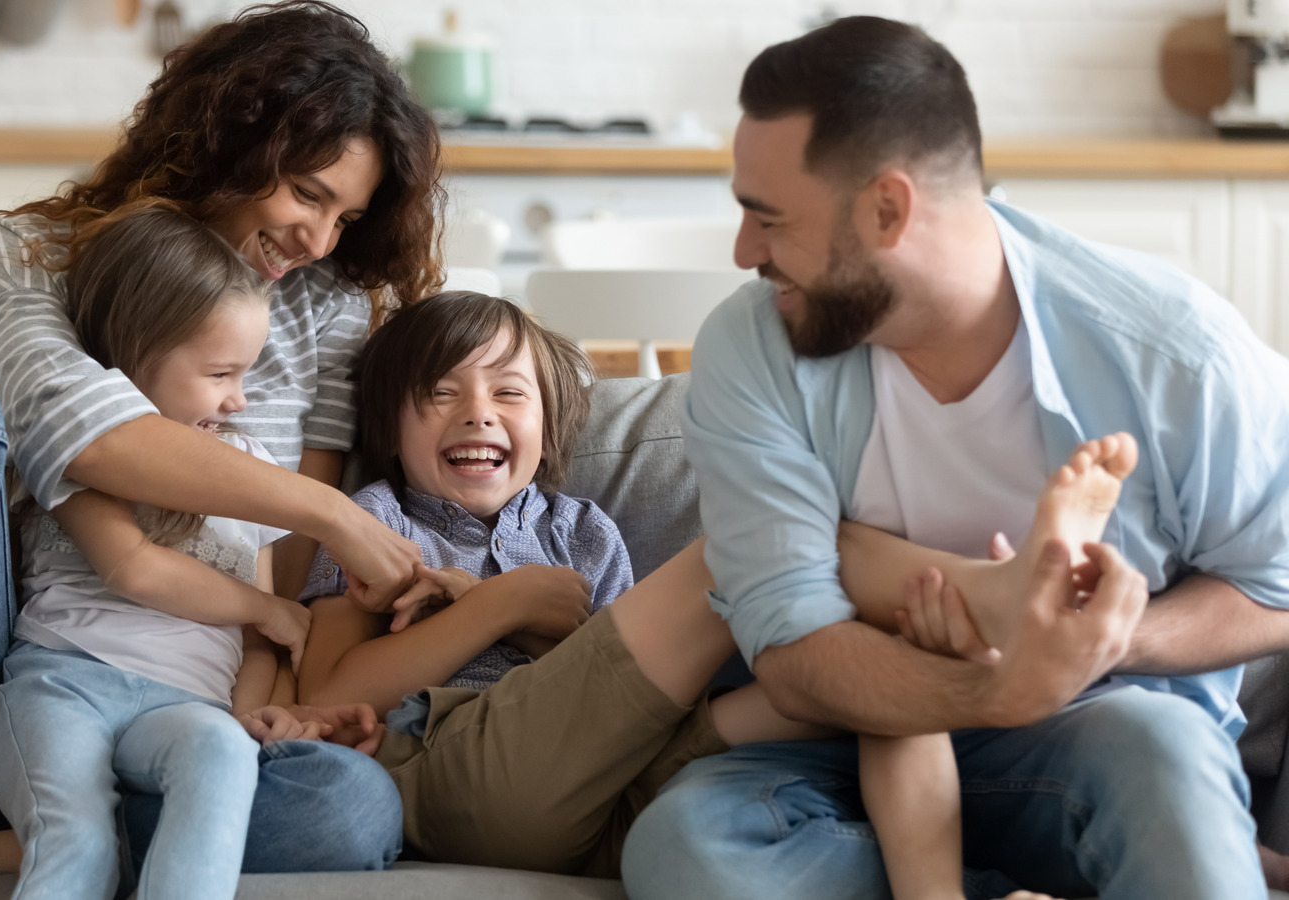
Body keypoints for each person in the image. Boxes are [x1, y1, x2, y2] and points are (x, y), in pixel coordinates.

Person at [0, 4, 440, 898]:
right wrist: (331, 514)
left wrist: (273, 702)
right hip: (15, 695)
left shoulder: (325, 309)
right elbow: (88, 437)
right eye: (305, 193)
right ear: (227, 143)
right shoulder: (35, 254)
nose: (317, 241)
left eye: (346, 216)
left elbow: (279, 583)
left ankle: (2, 847)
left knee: (349, 810)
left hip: (191, 715)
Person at [620, 16, 1289, 900]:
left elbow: (1275, 586)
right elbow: (792, 643)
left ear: (888, 208)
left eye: (767, 217)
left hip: (1097, 731)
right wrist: (995, 688)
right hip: (837, 744)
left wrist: (1101, 643)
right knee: (687, 849)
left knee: (1167, 757)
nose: (743, 253)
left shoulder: (1172, 352)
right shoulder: (754, 347)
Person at [296, 290, 1094, 889]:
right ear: (387, 429)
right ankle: (995, 596)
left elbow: (617, 693)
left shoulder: (582, 530)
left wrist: (528, 605)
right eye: (441, 394)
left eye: (509, 393)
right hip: (459, 775)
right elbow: (327, 693)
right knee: (735, 557)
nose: (478, 415)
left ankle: (974, 751)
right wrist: (506, 601)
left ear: (548, 422)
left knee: (851, 672)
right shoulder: (377, 519)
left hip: (619, 796)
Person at [0, 202, 397, 899]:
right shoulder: (83, 458)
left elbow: (255, 640)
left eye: (247, 375)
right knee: (77, 838)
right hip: (66, 682)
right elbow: (134, 568)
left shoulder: (252, 469)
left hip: (183, 709)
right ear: (136, 355)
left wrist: (249, 714)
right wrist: (273, 611)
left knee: (222, 753)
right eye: (220, 375)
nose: (239, 400)